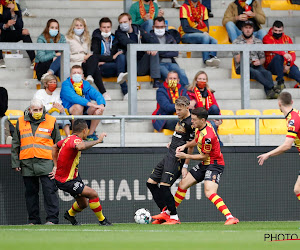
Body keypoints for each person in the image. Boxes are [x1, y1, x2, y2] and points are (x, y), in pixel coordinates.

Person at [174, 107, 239, 225]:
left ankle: (230, 217)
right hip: (205, 163)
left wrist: (184, 156)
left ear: (202, 120)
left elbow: (204, 156)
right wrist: (185, 146)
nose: (192, 121)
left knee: (209, 192)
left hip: (214, 164)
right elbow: (197, 140)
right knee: (182, 184)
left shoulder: (208, 136)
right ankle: (171, 216)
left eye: (194, 120)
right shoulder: (203, 126)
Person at [52, 119, 112, 226]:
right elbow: (80, 146)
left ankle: (69, 215)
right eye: (88, 130)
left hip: (72, 177)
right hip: (67, 180)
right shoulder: (75, 140)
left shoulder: (68, 139)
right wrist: (98, 141)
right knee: (93, 194)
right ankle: (103, 221)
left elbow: (55, 147)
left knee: (83, 204)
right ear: (84, 130)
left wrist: (55, 166)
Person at [11, 98, 60, 225]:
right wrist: (15, 162)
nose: (38, 112)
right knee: (31, 194)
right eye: (35, 110)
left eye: (40, 109)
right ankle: (33, 220)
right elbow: (16, 143)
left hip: (46, 162)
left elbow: (58, 144)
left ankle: (52, 219)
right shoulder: (20, 121)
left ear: (43, 109)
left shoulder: (51, 120)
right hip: (27, 163)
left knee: (49, 191)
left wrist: (56, 165)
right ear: (29, 110)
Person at [148, 96, 195, 224]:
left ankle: (173, 216)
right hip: (169, 154)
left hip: (177, 158)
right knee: (151, 183)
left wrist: (185, 166)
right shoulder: (180, 119)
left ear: (187, 107)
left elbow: (191, 145)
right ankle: (165, 212)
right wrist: (172, 142)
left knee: (164, 186)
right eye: (176, 109)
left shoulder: (191, 123)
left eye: (180, 110)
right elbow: (179, 136)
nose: (177, 112)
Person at [258, 92, 300, 203]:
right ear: (292, 102)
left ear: (279, 104)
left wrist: (268, 154)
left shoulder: (293, 119)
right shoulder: (295, 114)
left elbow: (287, 145)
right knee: (298, 189)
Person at [65, 17, 111, 101]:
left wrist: (88, 59)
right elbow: (67, 56)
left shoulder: (87, 38)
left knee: (94, 58)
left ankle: (90, 76)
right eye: (77, 25)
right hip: (74, 64)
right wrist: (82, 57)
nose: (79, 27)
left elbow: (89, 53)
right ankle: (103, 92)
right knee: (95, 69)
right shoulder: (67, 38)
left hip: (85, 63)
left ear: (84, 27)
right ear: (73, 27)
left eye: (81, 25)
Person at [232, 20, 279, 99]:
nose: (248, 30)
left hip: (255, 65)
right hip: (242, 65)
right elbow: (237, 60)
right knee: (256, 72)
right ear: (242, 29)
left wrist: (259, 62)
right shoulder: (236, 42)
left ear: (253, 29)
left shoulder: (258, 41)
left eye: (250, 28)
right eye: (246, 27)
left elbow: (262, 58)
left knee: (267, 73)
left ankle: (269, 93)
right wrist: (246, 47)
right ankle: (273, 87)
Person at [60, 65, 105, 141]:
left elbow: (97, 94)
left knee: (97, 108)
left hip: (85, 110)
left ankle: (90, 134)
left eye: (79, 73)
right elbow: (74, 98)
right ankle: (76, 134)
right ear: (70, 75)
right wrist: (90, 104)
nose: (76, 74)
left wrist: (101, 105)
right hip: (70, 111)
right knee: (78, 106)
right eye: (74, 73)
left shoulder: (85, 84)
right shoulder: (66, 84)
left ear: (82, 75)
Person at [115, 13, 161, 88]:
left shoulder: (138, 30)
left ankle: (156, 80)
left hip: (142, 65)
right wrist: (144, 48)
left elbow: (152, 39)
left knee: (154, 50)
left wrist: (151, 48)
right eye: (121, 23)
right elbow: (127, 42)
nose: (123, 24)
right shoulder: (119, 33)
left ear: (130, 21)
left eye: (125, 22)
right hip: (129, 67)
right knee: (129, 50)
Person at [91, 17, 128, 100]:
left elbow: (120, 51)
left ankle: (121, 76)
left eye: (108, 27)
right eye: (104, 27)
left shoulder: (114, 38)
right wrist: (112, 57)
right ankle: (125, 91)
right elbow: (96, 55)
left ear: (111, 27)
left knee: (121, 57)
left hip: (113, 65)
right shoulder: (96, 39)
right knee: (120, 66)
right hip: (103, 68)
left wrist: (113, 57)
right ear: (100, 28)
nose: (106, 30)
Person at [179, 0, 220, 67]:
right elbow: (186, 28)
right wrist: (201, 32)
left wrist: (203, 33)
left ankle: (212, 57)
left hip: (200, 35)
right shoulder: (184, 7)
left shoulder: (203, 8)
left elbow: (206, 28)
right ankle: (206, 59)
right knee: (205, 37)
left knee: (214, 40)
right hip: (186, 35)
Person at [151, 16, 189, 87]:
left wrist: (161, 52)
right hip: (159, 64)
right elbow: (154, 54)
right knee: (170, 76)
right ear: (153, 27)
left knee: (181, 72)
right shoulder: (150, 37)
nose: (160, 29)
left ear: (165, 26)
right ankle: (180, 90)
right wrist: (167, 51)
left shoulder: (170, 37)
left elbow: (175, 52)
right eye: (157, 27)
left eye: (162, 27)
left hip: (171, 63)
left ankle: (187, 90)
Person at [187, 71, 223, 145]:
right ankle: (218, 144)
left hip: (208, 116)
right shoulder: (190, 91)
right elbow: (186, 107)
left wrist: (220, 120)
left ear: (206, 81)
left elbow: (216, 107)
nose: (202, 81)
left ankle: (215, 122)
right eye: (200, 79)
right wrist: (191, 103)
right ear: (196, 80)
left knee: (214, 108)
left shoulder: (210, 92)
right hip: (198, 117)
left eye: (204, 79)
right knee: (211, 124)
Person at [263, 20, 300, 90]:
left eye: (280, 31)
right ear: (272, 29)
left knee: (296, 70)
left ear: (283, 30)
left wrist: (288, 65)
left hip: (286, 66)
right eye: (275, 30)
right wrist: (284, 53)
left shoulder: (287, 39)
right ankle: (280, 82)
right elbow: (273, 48)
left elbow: (292, 54)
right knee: (278, 57)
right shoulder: (266, 38)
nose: (277, 32)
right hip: (272, 66)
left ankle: (297, 86)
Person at [0, 0, 35, 69]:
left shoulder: (16, 6)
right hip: (2, 33)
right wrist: (5, 25)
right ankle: (0, 59)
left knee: (25, 32)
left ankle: (33, 60)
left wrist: (13, 12)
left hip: (12, 33)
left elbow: (20, 26)